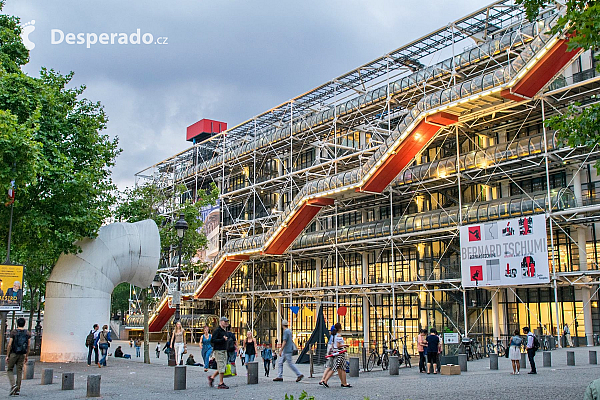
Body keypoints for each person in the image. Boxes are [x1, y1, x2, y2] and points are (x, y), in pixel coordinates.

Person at [321, 322, 351, 388]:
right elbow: (338, 345)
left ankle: (344, 383)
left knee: (342, 368)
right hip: (340, 353)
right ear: (340, 328)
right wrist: (345, 345)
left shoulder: (333, 336)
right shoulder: (338, 336)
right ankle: (325, 380)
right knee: (335, 368)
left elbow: (333, 345)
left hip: (336, 352)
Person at [6, 317, 30, 396]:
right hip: (22, 354)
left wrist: (7, 355)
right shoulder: (27, 333)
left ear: (17, 323)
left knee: (9, 369)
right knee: (19, 371)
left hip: (14, 353)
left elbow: (10, 344)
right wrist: (26, 355)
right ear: (24, 324)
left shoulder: (14, 332)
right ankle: (18, 389)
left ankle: (13, 385)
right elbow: (28, 345)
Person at [208, 316, 230, 390]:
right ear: (221, 322)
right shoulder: (217, 330)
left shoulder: (224, 331)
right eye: (224, 321)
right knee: (221, 366)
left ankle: (212, 377)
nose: (226, 323)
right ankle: (221, 383)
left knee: (222, 366)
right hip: (219, 350)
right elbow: (213, 340)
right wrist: (222, 339)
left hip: (224, 349)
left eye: (227, 321)